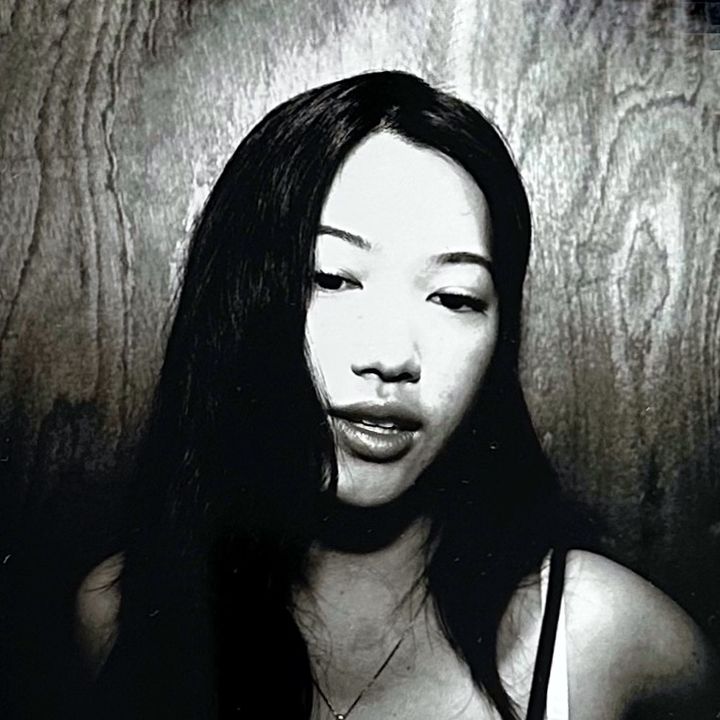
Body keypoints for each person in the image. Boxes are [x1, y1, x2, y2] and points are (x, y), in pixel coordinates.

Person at [76, 71, 719, 719]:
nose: (390, 356)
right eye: (332, 278)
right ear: (240, 298)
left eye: (455, 297)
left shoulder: (610, 639)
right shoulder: (116, 616)